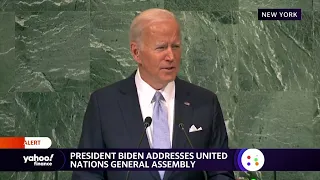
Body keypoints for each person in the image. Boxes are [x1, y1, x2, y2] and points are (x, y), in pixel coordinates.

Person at [72, 8, 235, 180]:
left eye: (176, 46)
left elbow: (221, 172)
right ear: (136, 53)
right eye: (161, 47)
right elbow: (87, 173)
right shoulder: (104, 104)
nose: (171, 56)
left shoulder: (205, 102)